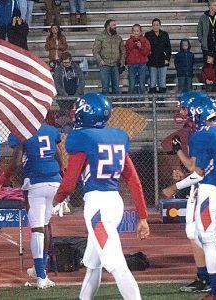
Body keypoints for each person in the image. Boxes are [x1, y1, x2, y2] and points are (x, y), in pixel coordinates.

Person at [53, 93, 150, 300]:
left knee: (116, 264)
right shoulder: (118, 137)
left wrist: (56, 199)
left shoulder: (81, 138)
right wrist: (142, 216)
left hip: (97, 207)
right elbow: (133, 179)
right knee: (92, 264)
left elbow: (69, 182)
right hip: (115, 203)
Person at [162, 98, 216, 299]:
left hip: (208, 193)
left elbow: (196, 170)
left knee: (207, 242)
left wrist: (178, 153)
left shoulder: (200, 136)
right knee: (201, 236)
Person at [6, 122, 63, 289]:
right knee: (44, 226)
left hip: (36, 184)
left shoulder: (21, 130)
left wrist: (12, 179)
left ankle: (41, 275)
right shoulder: (51, 130)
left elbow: (16, 163)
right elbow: (58, 156)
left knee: (37, 228)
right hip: (54, 183)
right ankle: (40, 269)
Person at [92, 19, 125, 95]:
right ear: (108, 26)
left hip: (115, 65)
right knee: (105, 87)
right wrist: (100, 61)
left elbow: (123, 51)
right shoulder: (100, 37)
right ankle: (106, 105)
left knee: (116, 87)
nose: (115, 27)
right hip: (104, 65)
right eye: (113, 25)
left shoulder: (118, 38)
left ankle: (116, 105)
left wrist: (122, 62)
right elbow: (95, 51)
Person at [197, 0, 216, 71]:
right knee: (207, 66)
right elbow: (199, 30)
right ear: (210, 6)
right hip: (207, 46)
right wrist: (202, 41)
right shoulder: (203, 18)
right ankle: (207, 81)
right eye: (214, 5)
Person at [145, 18, 172, 94]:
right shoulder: (148, 35)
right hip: (152, 61)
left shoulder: (164, 34)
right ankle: (152, 102)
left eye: (157, 25)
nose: (155, 27)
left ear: (160, 25)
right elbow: (146, 47)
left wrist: (167, 59)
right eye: (154, 25)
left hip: (162, 60)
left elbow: (168, 48)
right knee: (152, 81)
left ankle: (161, 101)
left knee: (162, 81)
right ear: (152, 26)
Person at [125, 24, 151, 95]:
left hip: (142, 64)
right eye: (134, 31)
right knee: (132, 84)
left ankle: (141, 103)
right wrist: (126, 62)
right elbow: (126, 52)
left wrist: (140, 47)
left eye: (137, 31)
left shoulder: (145, 41)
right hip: (131, 64)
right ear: (132, 32)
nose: (136, 33)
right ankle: (131, 102)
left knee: (142, 83)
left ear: (140, 32)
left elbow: (147, 52)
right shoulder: (128, 41)